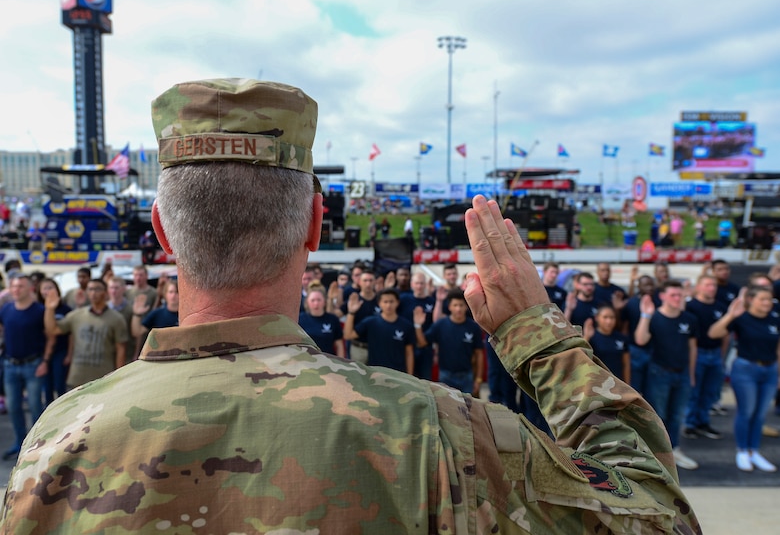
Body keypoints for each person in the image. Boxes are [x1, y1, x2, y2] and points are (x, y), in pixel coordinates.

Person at [0, 80, 700, 533]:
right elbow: (657, 517)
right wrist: (537, 337)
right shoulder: (438, 432)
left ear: (159, 232)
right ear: (314, 223)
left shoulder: (58, 439)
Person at [708, 285, 779, 472]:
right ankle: (742, 451)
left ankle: (753, 451)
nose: (767, 303)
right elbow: (714, 333)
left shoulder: (775, 318)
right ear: (751, 300)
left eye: (769, 299)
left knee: (760, 413)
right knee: (746, 412)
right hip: (746, 369)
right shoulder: (741, 318)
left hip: (770, 369)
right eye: (762, 299)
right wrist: (731, 315)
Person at [635, 280, 699, 470]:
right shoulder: (654, 318)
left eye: (680, 295)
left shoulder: (689, 319)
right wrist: (645, 315)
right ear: (662, 296)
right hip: (659, 373)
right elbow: (640, 339)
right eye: (673, 295)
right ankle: (657, 453)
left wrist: (692, 374)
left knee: (676, 415)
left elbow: (692, 348)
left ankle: (674, 449)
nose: (678, 298)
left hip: (682, 374)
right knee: (659, 415)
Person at [0, 275, 54, 461]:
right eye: (13, 286)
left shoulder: (39, 310)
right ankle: (19, 442)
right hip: (10, 365)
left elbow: (50, 336)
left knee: (34, 406)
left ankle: (37, 444)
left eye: (20, 286)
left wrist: (45, 361)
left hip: (33, 365)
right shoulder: (6, 309)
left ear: (31, 288)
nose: (16, 289)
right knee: (13, 406)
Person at [43, 278, 129, 390]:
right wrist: (49, 309)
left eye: (97, 289)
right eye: (90, 289)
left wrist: (118, 377)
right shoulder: (76, 315)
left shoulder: (117, 319)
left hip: (103, 379)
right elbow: (53, 330)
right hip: (77, 379)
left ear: (105, 292)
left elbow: (121, 350)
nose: (93, 293)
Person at [682, 275, 728, 440]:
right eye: (708, 284)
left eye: (714, 285)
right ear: (699, 287)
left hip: (715, 353)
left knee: (709, 391)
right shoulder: (690, 306)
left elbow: (725, 335)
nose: (712, 288)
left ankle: (703, 422)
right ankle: (690, 424)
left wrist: (721, 356)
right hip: (698, 353)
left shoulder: (720, 307)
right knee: (694, 390)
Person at [413, 289, 484, 394]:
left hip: (467, 377)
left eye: (461, 305)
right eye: (455, 305)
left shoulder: (473, 327)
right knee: (447, 410)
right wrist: (418, 325)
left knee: (467, 409)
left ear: (466, 307)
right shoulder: (440, 325)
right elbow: (422, 343)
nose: (458, 309)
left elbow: (479, 354)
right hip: (446, 377)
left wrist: (478, 379)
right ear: (449, 307)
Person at [344, 287, 414, 374]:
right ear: (379, 303)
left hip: (398, 373)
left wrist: (410, 376)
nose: (388, 305)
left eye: (391, 301)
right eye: (385, 302)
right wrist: (351, 312)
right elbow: (348, 335)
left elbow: (409, 353)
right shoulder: (370, 322)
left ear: (397, 303)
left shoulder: (406, 325)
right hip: (376, 372)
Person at [37, 278, 72, 405]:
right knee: (47, 386)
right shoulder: (38, 309)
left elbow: (71, 334)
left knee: (60, 384)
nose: (48, 291)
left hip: (61, 351)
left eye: (50, 287)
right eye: (44, 288)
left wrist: (69, 354)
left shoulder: (65, 309)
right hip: (43, 352)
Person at [131, 280, 180, 355]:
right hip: (160, 356)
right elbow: (137, 332)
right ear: (165, 294)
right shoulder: (157, 314)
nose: (173, 295)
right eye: (170, 292)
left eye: (176, 292)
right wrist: (137, 315)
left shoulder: (187, 315)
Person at [583, 305, 630, 383]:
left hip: (617, 382)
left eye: (612, 317)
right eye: (605, 317)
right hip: (598, 382)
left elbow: (626, 364)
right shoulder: (591, 337)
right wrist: (586, 337)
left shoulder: (621, 338)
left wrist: (628, 385)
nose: (609, 321)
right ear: (597, 318)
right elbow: (582, 356)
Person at [298, 282, 344, 357]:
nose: (316, 303)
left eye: (319, 300)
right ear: (307, 302)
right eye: (313, 300)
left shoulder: (332, 319)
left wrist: (342, 363)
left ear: (324, 301)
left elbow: (339, 345)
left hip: (328, 361)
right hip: (307, 360)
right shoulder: (300, 319)